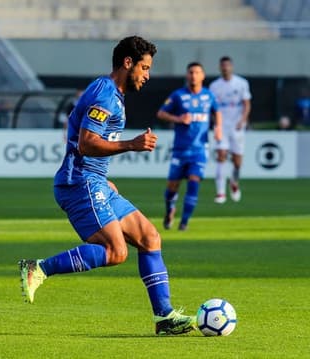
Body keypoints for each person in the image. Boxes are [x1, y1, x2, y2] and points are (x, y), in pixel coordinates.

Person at [19, 36, 198, 336]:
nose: (147, 75)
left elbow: (77, 129)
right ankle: (38, 268)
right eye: (144, 67)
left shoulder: (111, 93)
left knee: (150, 237)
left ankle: (164, 317)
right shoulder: (105, 94)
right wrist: (132, 144)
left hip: (93, 180)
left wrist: (100, 175)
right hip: (79, 184)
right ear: (127, 63)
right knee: (115, 251)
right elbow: (88, 143)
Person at [158, 62, 222, 231]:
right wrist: (179, 119)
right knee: (173, 186)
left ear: (203, 76)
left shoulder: (209, 96)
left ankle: (184, 222)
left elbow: (217, 111)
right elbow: (161, 113)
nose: (194, 75)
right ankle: (170, 209)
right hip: (180, 149)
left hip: (200, 150)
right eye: (191, 72)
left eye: (197, 72)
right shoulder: (178, 95)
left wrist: (218, 128)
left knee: (194, 182)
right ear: (187, 75)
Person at [209, 56, 251, 203]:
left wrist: (243, 120)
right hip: (222, 125)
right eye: (223, 66)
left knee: (237, 161)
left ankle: (234, 182)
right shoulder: (214, 86)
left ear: (231, 67)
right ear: (220, 68)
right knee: (221, 155)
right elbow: (212, 108)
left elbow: (247, 104)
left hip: (237, 126)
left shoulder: (241, 83)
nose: (225, 68)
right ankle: (220, 193)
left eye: (227, 65)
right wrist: (217, 124)